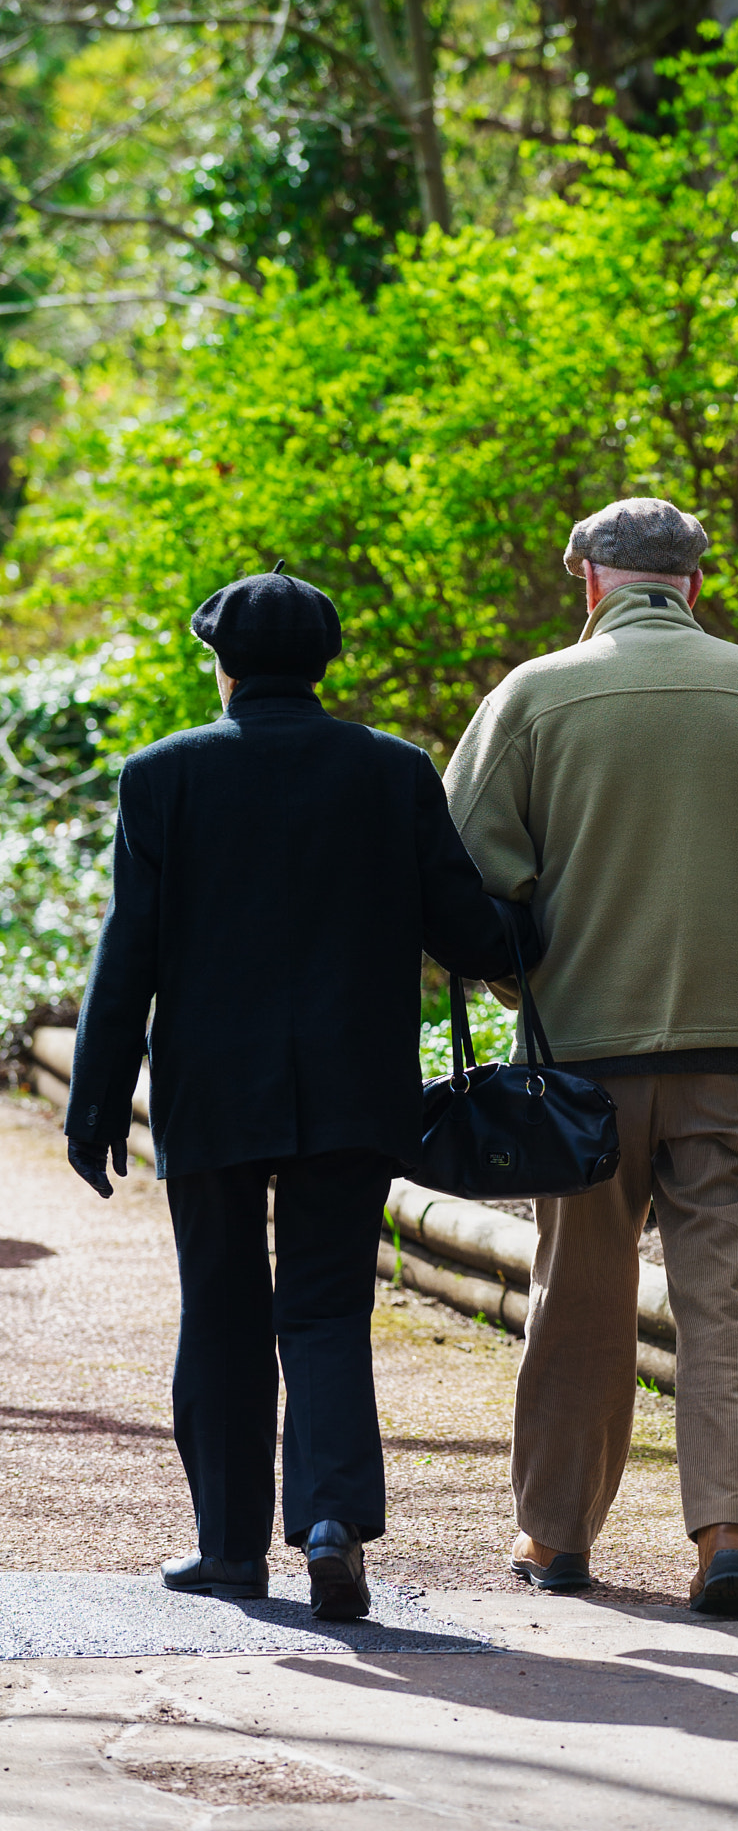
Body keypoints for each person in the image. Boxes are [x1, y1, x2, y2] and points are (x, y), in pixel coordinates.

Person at [445, 497, 738, 1617]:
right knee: (726, 1299)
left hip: (581, 1059)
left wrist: (529, 986)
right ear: (695, 583)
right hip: (737, 1052)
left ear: (588, 578)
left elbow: (461, 884)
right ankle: (727, 1537)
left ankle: (553, 1537)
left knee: (578, 1296)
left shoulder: (532, 696)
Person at [64, 566, 533, 1619]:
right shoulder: (391, 771)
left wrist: (95, 1105)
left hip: (211, 1096)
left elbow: (125, 953)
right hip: (353, 1092)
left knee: (221, 1310)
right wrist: (538, 928)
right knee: (326, 1305)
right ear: (326, 665)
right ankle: (330, 1521)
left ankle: (230, 1550)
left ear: (220, 664)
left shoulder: (162, 774)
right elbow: (467, 931)